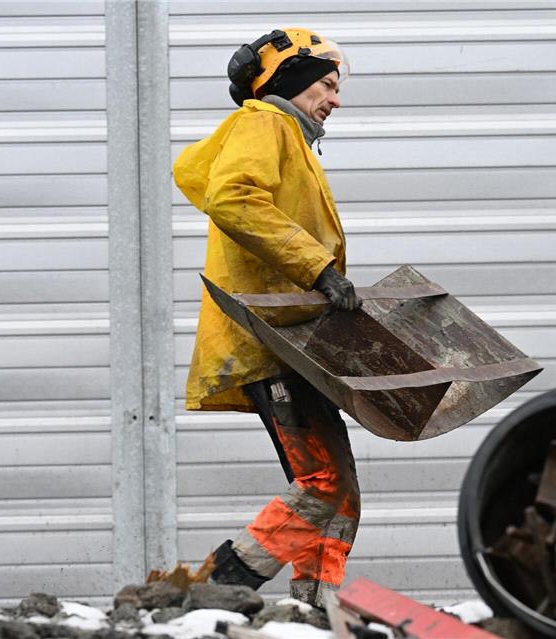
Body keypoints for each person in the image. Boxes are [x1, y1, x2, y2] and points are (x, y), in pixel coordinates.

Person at [172, 28, 360, 607]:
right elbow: (234, 196)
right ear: (293, 80)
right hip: (271, 340)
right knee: (322, 486)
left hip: (292, 342)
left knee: (338, 494)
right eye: (327, 84)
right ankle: (210, 593)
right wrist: (319, 270)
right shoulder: (265, 123)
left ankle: (312, 610)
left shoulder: (291, 139)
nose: (335, 97)